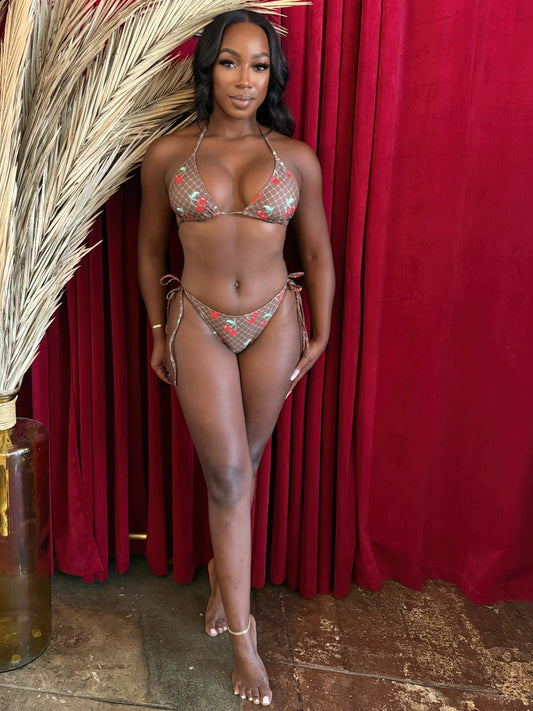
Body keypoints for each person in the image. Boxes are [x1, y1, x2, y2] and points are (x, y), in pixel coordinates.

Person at [138, 9, 334, 707]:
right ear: (208, 69)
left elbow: (316, 250)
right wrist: (157, 330)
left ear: (271, 76)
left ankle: (226, 578)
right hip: (197, 318)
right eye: (229, 62)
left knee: (243, 464)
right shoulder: (168, 154)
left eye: (259, 65)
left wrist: (320, 332)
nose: (244, 79)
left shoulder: (295, 157)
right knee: (226, 474)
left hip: (275, 320)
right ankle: (245, 642)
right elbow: (150, 250)